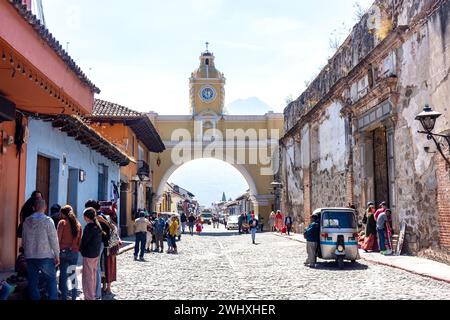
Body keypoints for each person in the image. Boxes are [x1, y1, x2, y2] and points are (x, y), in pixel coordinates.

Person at [22, 198, 60, 300]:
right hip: (45, 255)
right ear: (45, 207)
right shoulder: (48, 221)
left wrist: (26, 254)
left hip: (30, 255)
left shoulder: (26, 221)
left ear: (34, 208)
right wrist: (57, 255)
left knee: (33, 283)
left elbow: (24, 240)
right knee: (51, 281)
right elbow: (54, 240)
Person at [57, 205, 82, 301]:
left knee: (63, 277)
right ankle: (74, 297)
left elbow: (57, 239)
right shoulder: (78, 224)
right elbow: (80, 240)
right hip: (74, 253)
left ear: (63, 213)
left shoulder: (62, 223)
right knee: (73, 276)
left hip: (63, 252)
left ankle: (64, 297)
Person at [80, 208, 103, 300]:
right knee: (92, 275)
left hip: (89, 254)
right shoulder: (97, 226)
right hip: (95, 254)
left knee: (88, 277)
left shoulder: (89, 227)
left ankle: (89, 296)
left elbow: (84, 241)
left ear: (86, 217)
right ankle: (92, 294)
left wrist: (80, 248)